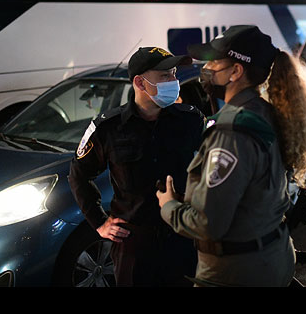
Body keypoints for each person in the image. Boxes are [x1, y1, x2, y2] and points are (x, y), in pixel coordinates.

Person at [157, 25, 306, 287]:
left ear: (236, 71)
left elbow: (208, 224)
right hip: (272, 257)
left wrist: (168, 206)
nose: (207, 68)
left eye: (214, 62)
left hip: (237, 273)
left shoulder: (232, 132)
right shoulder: (266, 114)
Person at [68, 46, 205, 286]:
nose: (174, 80)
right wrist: (99, 221)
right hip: (134, 246)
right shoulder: (107, 128)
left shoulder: (192, 120)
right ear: (140, 83)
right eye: (164, 75)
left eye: (173, 73)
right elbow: (78, 175)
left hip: (183, 238)